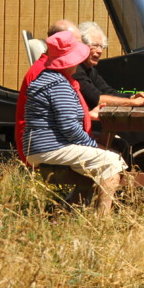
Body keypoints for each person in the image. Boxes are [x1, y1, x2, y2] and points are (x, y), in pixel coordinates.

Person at [23, 30, 128, 217]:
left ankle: (67, 212)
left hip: (43, 145)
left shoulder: (50, 78)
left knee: (98, 160)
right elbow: (69, 127)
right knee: (112, 160)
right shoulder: (59, 85)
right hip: (50, 147)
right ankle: (101, 220)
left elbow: (63, 119)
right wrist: (95, 145)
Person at [15, 19, 81, 165]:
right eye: (74, 42)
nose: (80, 47)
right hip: (50, 145)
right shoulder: (43, 73)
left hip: (61, 141)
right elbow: (64, 123)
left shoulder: (57, 71)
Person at [73, 21, 144, 111]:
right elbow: (96, 99)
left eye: (102, 46)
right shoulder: (75, 69)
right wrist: (133, 103)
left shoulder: (89, 68)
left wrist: (132, 97)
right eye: (95, 45)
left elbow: (108, 91)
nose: (100, 51)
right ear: (81, 45)